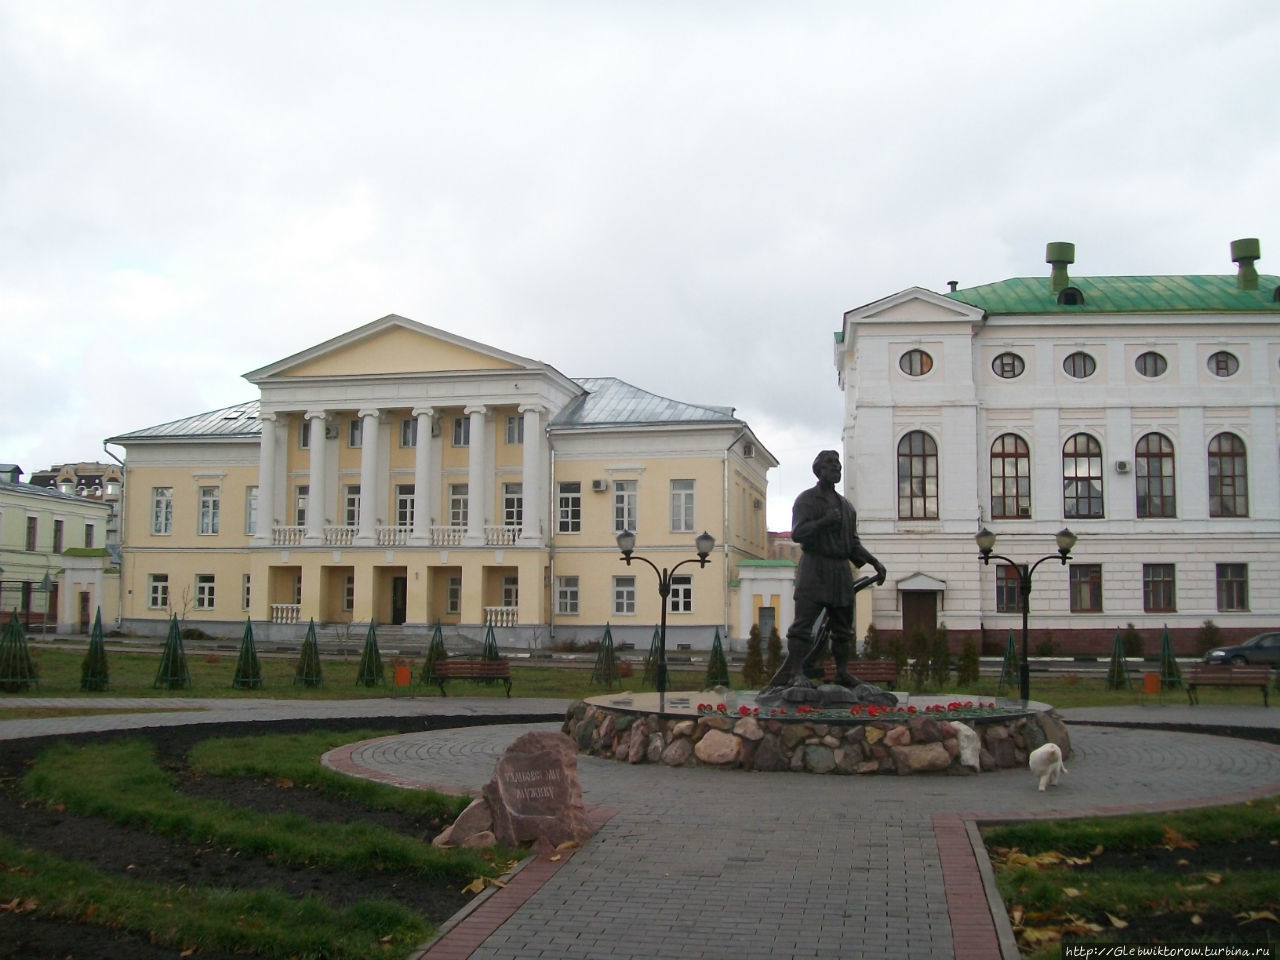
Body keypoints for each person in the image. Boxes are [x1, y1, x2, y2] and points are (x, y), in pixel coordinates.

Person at [768, 450, 886, 689]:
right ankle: (796, 672)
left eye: (838, 465)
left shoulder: (847, 507)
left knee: (843, 627)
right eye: (831, 464)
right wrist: (823, 522)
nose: (836, 468)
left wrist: (874, 563)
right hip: (815, 566)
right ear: (819, 470)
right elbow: (798, 534)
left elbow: (853, 543)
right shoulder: (807, 500)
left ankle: (842, 672)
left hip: (840, 569)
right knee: (803, 624)